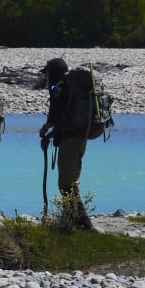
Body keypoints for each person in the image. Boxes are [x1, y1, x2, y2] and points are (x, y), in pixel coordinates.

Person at [37, 58, 95, 231]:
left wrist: (44, 129)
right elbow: (66, 118)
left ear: (53, 72)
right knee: (72, 181)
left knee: (65, 184)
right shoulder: (71, 88)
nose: (46, 75)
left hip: (70, 141)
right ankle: (70, 219)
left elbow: (55, 117)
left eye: (47, 72)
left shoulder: (59, 89)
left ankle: (84, 224)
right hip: (80, 138)